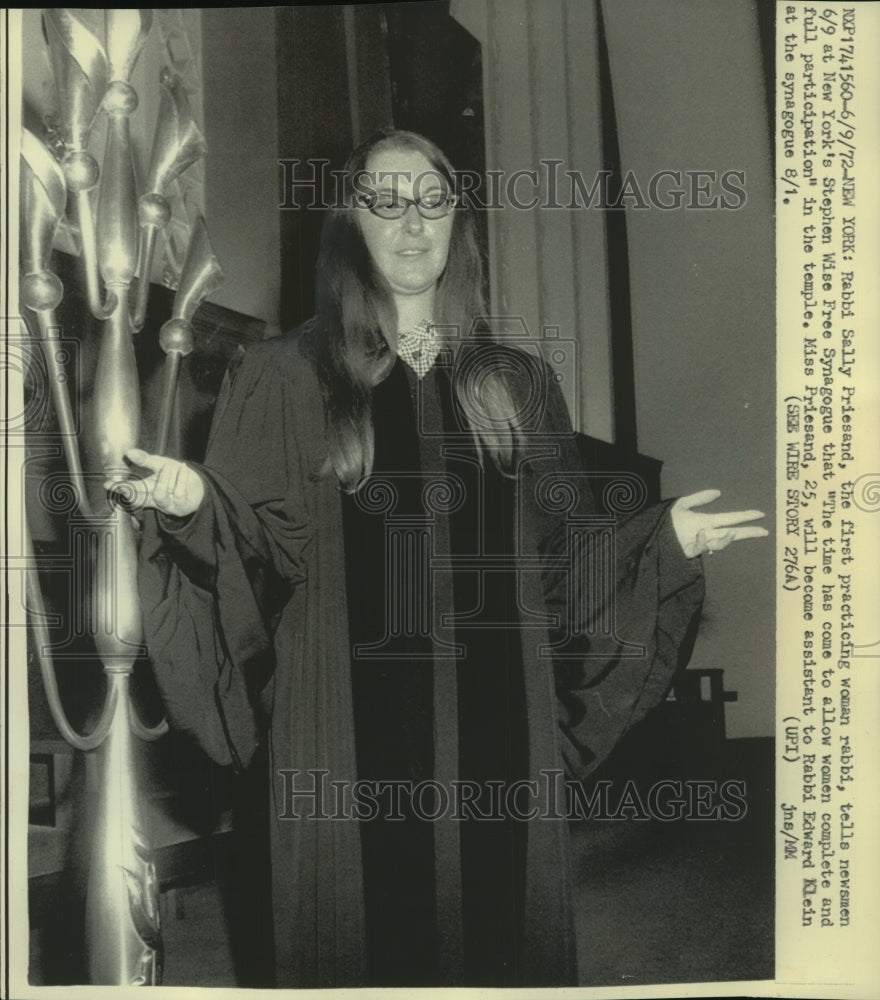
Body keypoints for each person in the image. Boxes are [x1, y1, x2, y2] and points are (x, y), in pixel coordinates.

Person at [124, 130, 767, 988]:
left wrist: (660, 541)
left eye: (432, 201)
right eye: (386, 202)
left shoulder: (517, 384)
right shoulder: (283, 374)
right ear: (350, 222)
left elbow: (561, 560)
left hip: (494, 730)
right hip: (342, 739)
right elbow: (256, 549)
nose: (412, 223)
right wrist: (194, 501)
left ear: (457, 221)